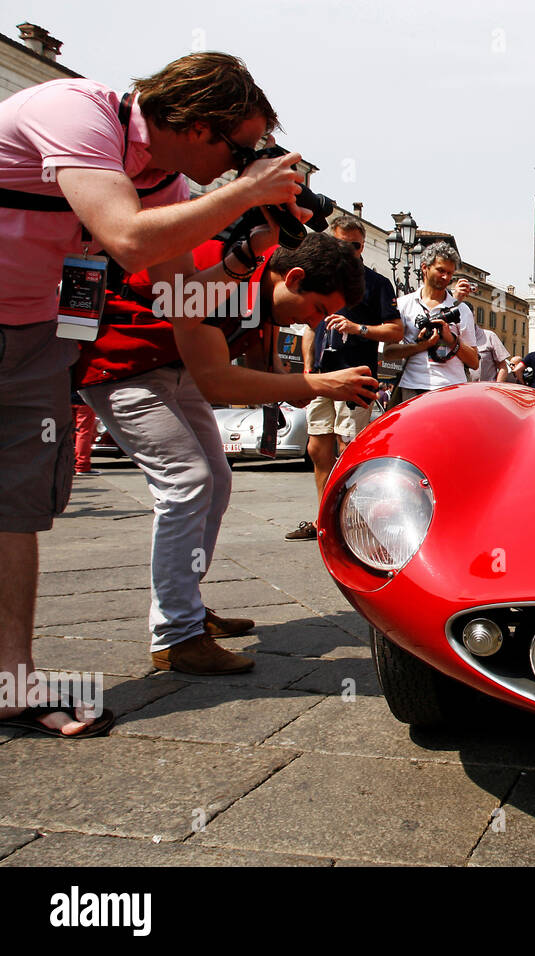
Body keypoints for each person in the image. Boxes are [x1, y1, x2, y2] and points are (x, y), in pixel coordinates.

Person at [0, 52, 312, 736]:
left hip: (30, 328)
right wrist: (243, 194)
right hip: (35, 329)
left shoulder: (163, 183)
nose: (240, 165)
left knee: (14, 508)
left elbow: (179, 299)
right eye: (240, 150)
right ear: (201, 126)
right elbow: (124, 240)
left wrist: (242, 252)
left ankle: (11, 683)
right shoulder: (76, 111)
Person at [78, 234, 370, 675]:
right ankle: (175, 636)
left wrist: (288, 384)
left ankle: (186, 610)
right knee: (187, 481)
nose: (316, 323)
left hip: (176, 371)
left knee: (216, 480)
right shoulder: (225, 276)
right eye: (318, 309)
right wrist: (318, 384)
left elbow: (250, 371)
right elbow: (218, 384)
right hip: (124, 369)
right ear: (293, 278)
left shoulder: (263, 295)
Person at [286, 216, 402, 541]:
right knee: (317, 449)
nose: (350, 250)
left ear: (363, 246)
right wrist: (307, 369)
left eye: (356, 245)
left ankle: (352, 518)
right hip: (322, 376)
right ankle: (323, 519)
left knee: (349, 448)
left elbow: (396, 330)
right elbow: (311, 328)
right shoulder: (320, 278)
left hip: (356, 377)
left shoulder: (376, 283)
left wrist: (357, 329)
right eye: (343, 244)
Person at [386, 242, 480, 404]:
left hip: (451, 389)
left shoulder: (461, 310)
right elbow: (388, 352)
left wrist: (450, 339)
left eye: (450, 273)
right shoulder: (403, 304)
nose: (446, 277)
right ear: (424, 267)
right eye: (441, 270)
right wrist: (421, 346)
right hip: (412, 386)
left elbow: (474, 362)